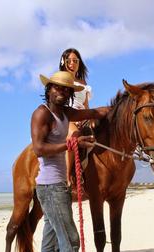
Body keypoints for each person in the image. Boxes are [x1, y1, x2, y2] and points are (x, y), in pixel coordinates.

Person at [32, 70, 108, 252]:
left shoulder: (65, 112)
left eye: (67, 90)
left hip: (54, 186)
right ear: (49, 89)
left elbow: (92, 112)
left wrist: (114, 108)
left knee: (51, 236)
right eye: (58, 88)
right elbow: (39, 148)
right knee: (70, 238)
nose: (62, 92)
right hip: (51, 185)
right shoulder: (41, 114)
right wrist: (71, 143)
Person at [59, 48, 93, 186]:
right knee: (74, 135)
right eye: (69, 61)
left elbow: (86, 106)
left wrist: (89, 118)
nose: (72, 63)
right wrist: (73, 119)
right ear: (64, 62)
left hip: (82, 116)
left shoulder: (84, 84)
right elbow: (60, 104)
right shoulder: (61, 79)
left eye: (75, 61)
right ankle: (67, 177)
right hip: (67, 116)